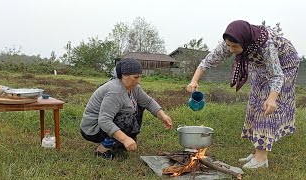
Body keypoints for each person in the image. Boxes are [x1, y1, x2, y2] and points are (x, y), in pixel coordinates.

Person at [186, 20, 300, 169]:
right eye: (228, 46)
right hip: (260, 65)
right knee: (255, 102)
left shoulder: (266, 45)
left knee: (265, 108)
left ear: (244, 42)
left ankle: (261, 158)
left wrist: (272, 98)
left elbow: (277, 75)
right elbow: (208, 61)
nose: (231, 49)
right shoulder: (231, 42)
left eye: (234, 46)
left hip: (284, 65)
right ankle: (257, 150)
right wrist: (194, 80)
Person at [80, 58, 173, 159]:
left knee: (139, 106)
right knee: (127, 117)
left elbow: (148, 102)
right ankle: (102, 149)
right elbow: (104, 120)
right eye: (136, 77)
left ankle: (119, 142)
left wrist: (163, 115)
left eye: (140, 77)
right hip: (93, 129)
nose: (139, 81)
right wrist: (125, 139)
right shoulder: (115, 91)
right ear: (124, 75)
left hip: (103, 124)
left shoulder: (134, 88)